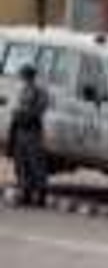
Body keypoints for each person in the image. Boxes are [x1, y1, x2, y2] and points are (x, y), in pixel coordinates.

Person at [8, 63, 49, 206]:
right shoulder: (21, 90)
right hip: (20, 130)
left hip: (32, 130)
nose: (23, 78)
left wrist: (25, 115)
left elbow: (39, 109)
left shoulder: (39, 91)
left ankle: (41, 194)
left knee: (36, 163)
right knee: (21, 163)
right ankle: (26, 193)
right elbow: (15, 110)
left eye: (24, 75)